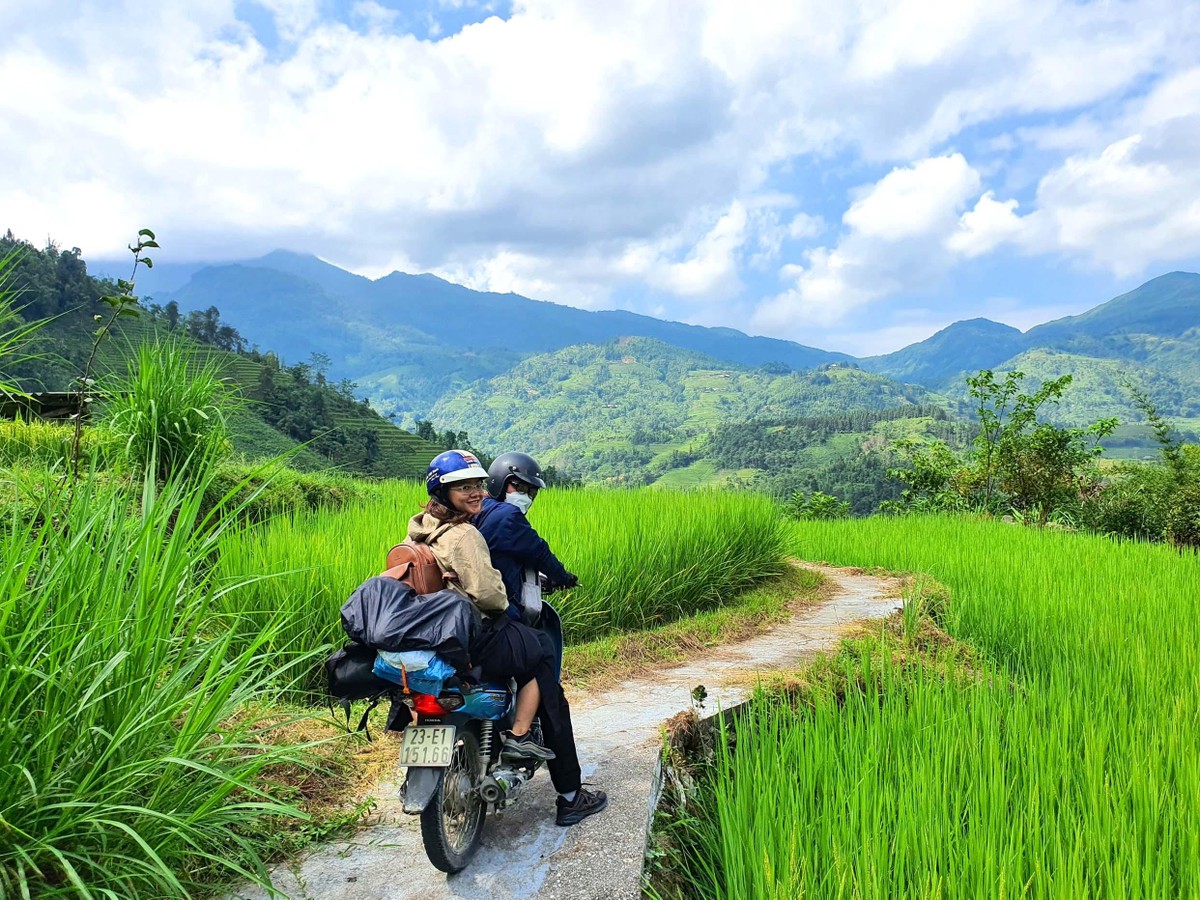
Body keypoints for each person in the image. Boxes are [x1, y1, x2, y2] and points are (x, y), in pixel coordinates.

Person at [472, 451, 607, 827]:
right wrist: (564, 577)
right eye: (521, 487)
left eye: (530, 491)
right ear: (503, 484)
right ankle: (570, 797)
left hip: (457, 626)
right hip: (495, 625)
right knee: (550, 689)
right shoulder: (507, 517)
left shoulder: (470, 515)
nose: (526, 496)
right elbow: (540, 552)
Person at [403, 449, 553, 761]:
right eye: (465, 487)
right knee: (539, 652)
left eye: (478, 485)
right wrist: (505, 602)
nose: (476, 493)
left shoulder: (420, 528)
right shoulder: (465, 534)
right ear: (443, 491)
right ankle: (520, 736)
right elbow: (489, 596)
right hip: (470, 632)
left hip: (430, 629)